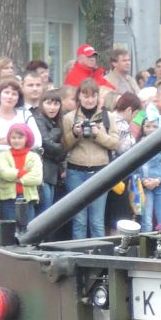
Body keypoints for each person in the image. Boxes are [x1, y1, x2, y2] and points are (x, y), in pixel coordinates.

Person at [62, 78, 119, 239]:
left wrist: (98, 134)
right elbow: (64, 146)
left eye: (93, 96)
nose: (89, 100)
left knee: (97, 221)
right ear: (79, 96)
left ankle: (99, 252)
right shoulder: (69, 118)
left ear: (98, 97)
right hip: (76, 172)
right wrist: (75, 134)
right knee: (79, 220)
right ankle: (78, 253)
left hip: (100, 172)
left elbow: (115, 144)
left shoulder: (108, 116)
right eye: (85, 96)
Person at [0, 122, 43, 230]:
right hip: (8, 200)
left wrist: (15, 178)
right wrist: (23, 173)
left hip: (28, 199)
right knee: (9, 231)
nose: (16, 140)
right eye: (13, 137)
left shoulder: (34, 157)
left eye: (20, 138)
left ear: (27, 139)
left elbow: (37, 178)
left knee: (28, 230)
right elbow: (4, 173)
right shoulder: (2, 156)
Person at [136, 118, 161, 232]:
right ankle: (146, 243)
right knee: (146, 221)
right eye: (147, 126)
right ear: (142, 128)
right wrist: (142, 180)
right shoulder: (137, 145)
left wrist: (158, 180)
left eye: (155, 126)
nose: (151, 129)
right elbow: (134, 167)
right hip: (144, 186)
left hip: (160, 186)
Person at [32, 88, 65, 213]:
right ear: (42, 104)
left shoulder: (57, 122)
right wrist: (62, 144)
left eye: (56, 104)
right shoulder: (38, 119)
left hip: (53, 173)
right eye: (48, 103)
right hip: (42, 173)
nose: (52, 107)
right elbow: (45, 143)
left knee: (49, 210)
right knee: (45, 212)